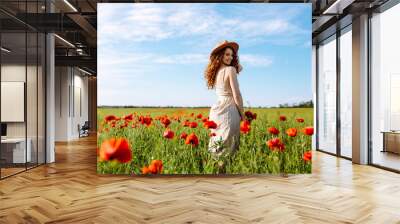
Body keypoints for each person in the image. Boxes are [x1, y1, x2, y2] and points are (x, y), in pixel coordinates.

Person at [204, 40, 244, 156]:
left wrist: (231, 59)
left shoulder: (216, 72)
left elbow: (239, 68)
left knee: (217, 146)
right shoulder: (230, 70)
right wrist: (243, 115)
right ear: (220, 55)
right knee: (229, 149)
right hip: (230, 109)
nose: (230, 58)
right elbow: (237, 95)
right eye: (227, 54)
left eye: (232, 55)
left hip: (217, 110)